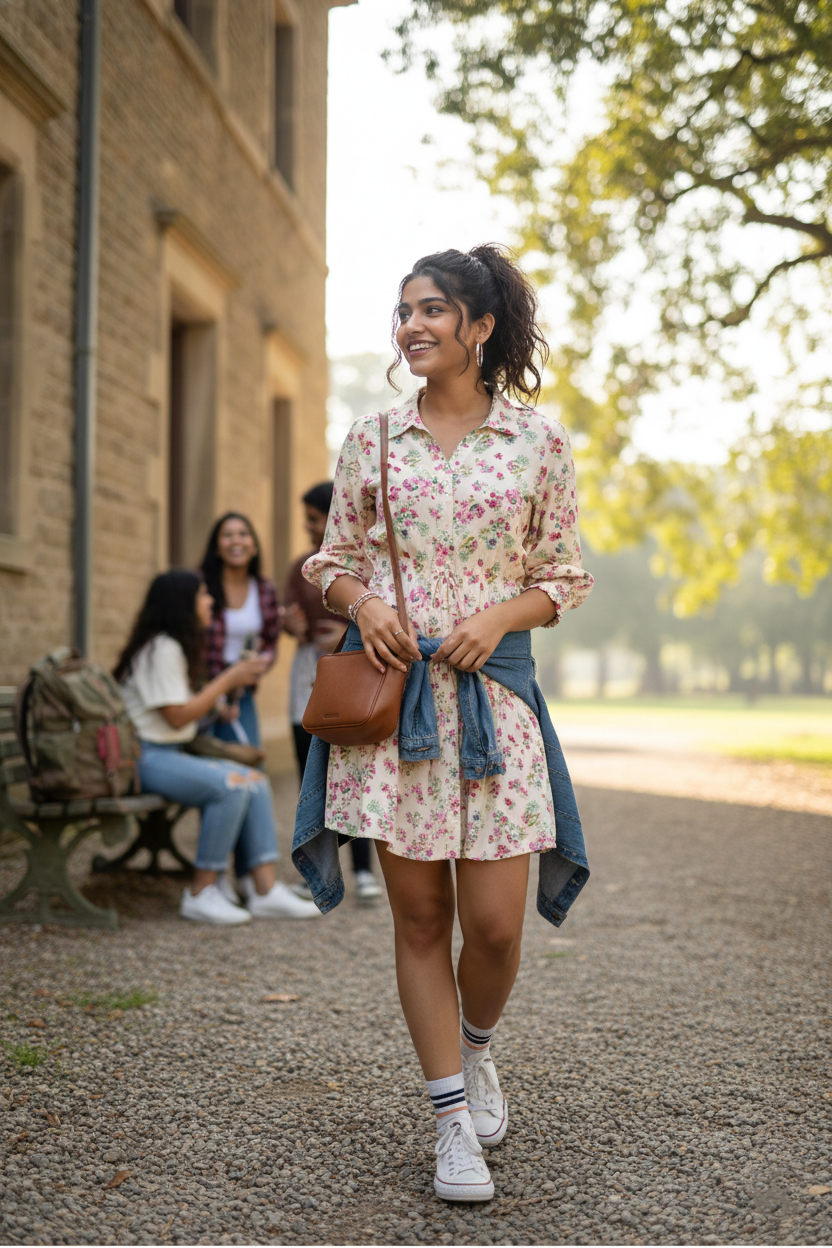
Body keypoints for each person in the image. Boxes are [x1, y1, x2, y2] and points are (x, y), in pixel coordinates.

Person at [295, 246, 594, 1201]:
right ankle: (450, 1121)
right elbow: (329, 559)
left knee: (495, 928)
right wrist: (365, 604)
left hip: (494, 709)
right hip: (397, 713)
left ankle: (477, 1048)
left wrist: (497, 617)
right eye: (403, 312)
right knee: (421, 919)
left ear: (480, 326)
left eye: (432, 310)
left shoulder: (538, 443)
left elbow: (564, 576)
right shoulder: (374, 437)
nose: (412, 326)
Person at [115, 570, 319, 923]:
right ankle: (201, 891)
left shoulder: (172, 647)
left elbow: (177, 711)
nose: (210, 601)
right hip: (145, 758)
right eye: (203, 595)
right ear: (182, 604)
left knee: (254, 779)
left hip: (168, 754)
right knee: (231, 786)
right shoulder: (162, 648)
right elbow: (176, 717)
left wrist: (217, 704)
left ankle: (264, 890)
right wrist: (227, 679)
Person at [283, 481, 382, 902]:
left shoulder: (368, 564)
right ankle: (317, 872)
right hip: (307, 673)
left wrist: (344, 633)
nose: (307, 526)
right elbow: (291, 617)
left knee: (355, 774)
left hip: (349, 674)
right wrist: (293, 627)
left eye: (313, 518)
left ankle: (362, 871)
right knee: (310, 774)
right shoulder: (299, 567)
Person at [200, 512, 281, 750]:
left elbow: (270, 641)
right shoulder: (201, 585)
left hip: (241, 690)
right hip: (201, 685)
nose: (236, 540)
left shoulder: (265, 589)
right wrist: (215, 694)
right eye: (227, 535)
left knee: (249, 757)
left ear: (253, 546)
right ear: (216, 547)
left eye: (243, 534)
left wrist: (259, 665)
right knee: (204, 756)